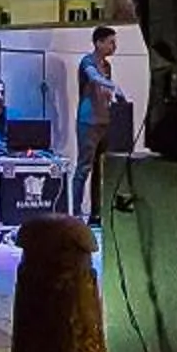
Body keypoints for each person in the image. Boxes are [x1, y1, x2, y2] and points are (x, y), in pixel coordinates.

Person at [75, 25, 121, 223]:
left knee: (100, 170)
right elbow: (94, 77)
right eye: (111, 42)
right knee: (83, 168)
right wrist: (114, 86)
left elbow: (106, 91)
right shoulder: (88, 61)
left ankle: (96, 214)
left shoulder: (107, 66)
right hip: (89, 122)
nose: (114, 46)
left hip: (105, 121)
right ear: (98, 43)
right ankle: (76, 213)